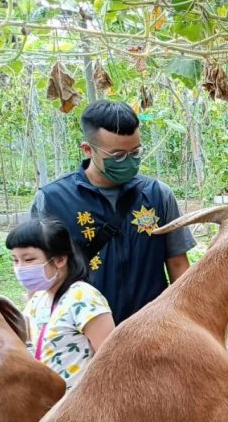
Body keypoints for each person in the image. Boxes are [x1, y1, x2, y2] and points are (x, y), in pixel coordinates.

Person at [31, 100, 195, 324]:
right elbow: (41, 271)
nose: (128, 161)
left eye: (135, 152)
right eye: (117, 155)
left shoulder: (157, 194)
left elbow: (177, 263)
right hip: (84, 330)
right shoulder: (53, 200)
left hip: (151, 327)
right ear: (88, 150)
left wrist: (186, 320)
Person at [7, 217, 114, 390]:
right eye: (15, 260)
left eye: (28, 260)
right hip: (46, 405)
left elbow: (111, 360)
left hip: (77, 408)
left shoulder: (84, 299)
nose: (20, 268)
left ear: (59, 260)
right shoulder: (38, 299)